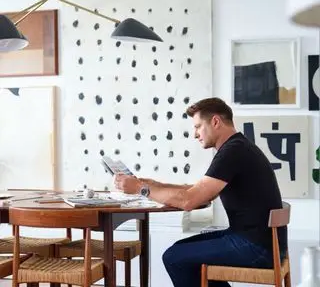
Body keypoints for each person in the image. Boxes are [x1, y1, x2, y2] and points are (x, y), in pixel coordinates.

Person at [114, 97, 287, 287]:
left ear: (215, 121)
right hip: (258, 242)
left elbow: (189, 200)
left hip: (256, 248)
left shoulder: (233, 152)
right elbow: (197, 190)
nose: (195, 134)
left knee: (174, 258)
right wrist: (155, 184)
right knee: (180, 251)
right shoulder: (237, 147)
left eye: (197, 127)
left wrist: (141, 189)